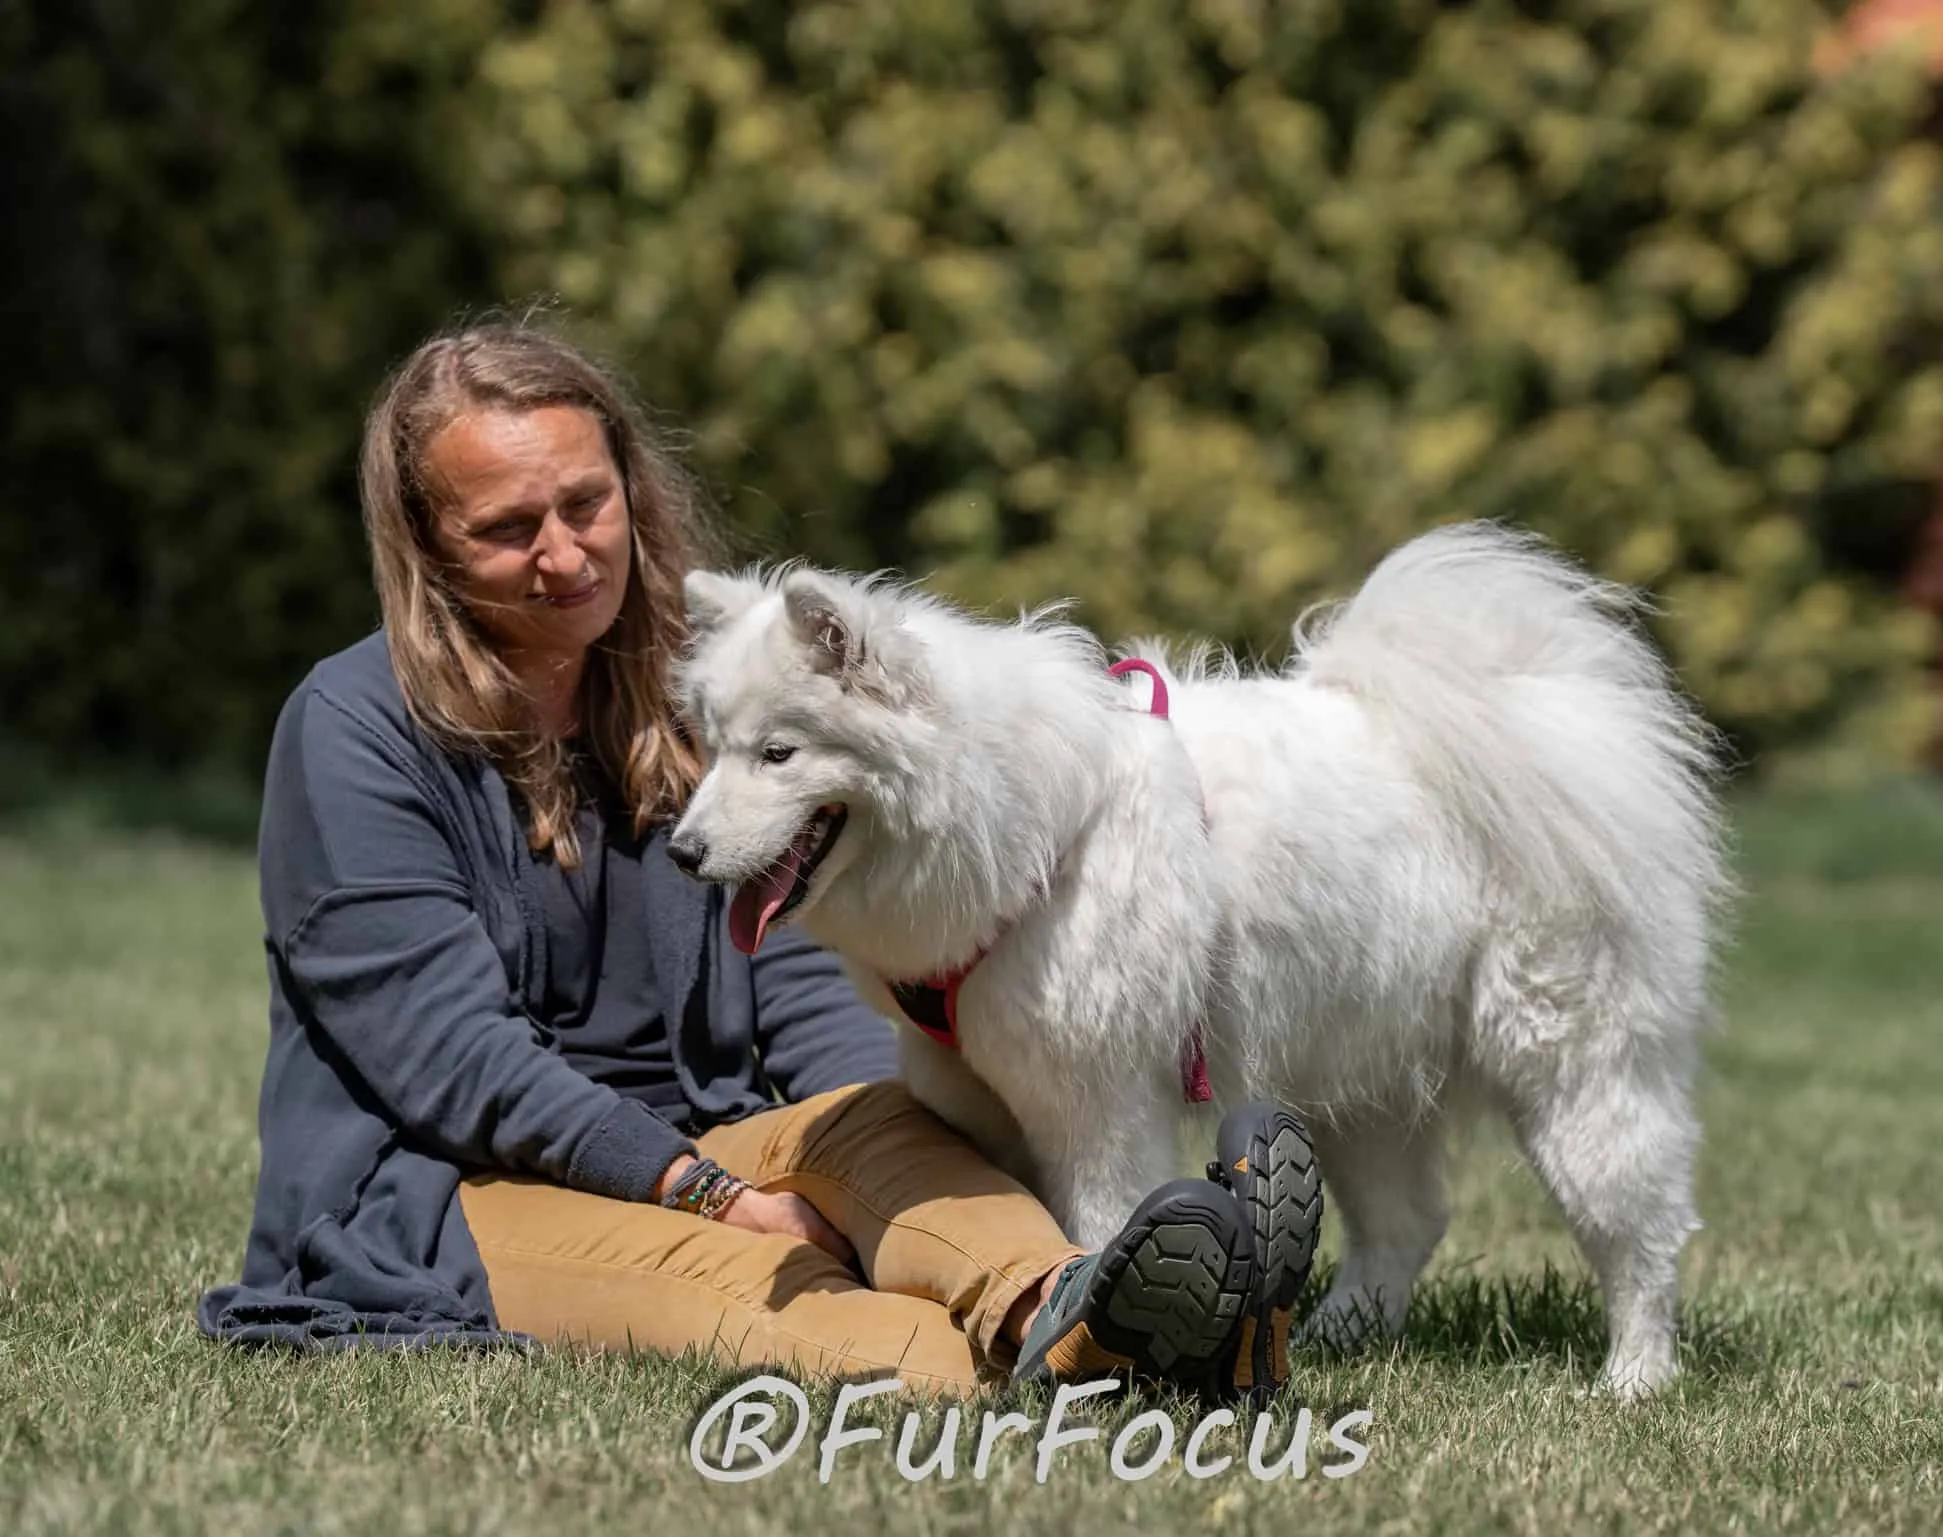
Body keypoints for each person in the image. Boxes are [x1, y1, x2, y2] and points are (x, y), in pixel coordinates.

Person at [197, 317, 1317, 1397]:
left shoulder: (712, 697)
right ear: (428, 548)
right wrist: (708, 1191)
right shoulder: (349, 729)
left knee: (896, 1141)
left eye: (586, 503)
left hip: (717, 1139)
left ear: (629, 491)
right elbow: (452, 1061)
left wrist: (894, 1155)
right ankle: (1116, 1344)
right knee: (853, 1325)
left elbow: (792, 963)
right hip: (461, 1189)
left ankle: (1081, 1301)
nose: (561, 551)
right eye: (506, 527)